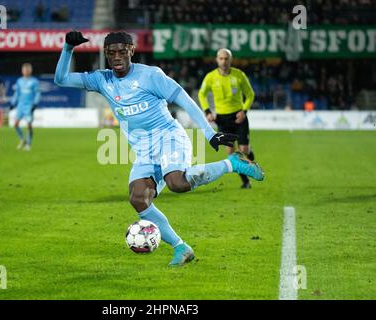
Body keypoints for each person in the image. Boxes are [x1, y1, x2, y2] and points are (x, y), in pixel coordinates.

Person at [54, 31, 264, 266]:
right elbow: (61, 79)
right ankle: (181, 247)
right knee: (138, 199)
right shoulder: (102, 80)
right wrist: (68, 48)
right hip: (144, 150)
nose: (116, 57)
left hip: (169, 137)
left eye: (122, 51)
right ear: (105, 54)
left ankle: (232, 163)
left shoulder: (150, 75)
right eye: (111, 53)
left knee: (177, 183)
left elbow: (183, 99)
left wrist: (209, 133)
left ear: (132, 50)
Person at [198, 48, 256, 189]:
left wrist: (244, 110)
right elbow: (201, 94)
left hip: (239, 116)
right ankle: (246, 181)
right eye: (221, 58)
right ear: (217, 60)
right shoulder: (211, 77)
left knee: (244, 149)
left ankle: (250, 155)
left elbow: (250, 94)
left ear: (230, 60)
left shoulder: (239, 75)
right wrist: (207, 111)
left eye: (226, 59)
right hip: (222, 119)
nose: (224, 61)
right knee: (231, 152)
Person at [10, 63, 40, 151]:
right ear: (22, 71)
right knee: (15, 124)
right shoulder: (19, 81)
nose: (26, 71)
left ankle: (29, 144)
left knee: (29, 125)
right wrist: (12, 103)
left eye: (28, 70)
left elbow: (37, 93)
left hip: (29, 105)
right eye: (24, 70)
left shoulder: (34, 81)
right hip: (20, 105)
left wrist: (35, 104)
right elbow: (17, 93)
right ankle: (22, 140)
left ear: (30, 71)